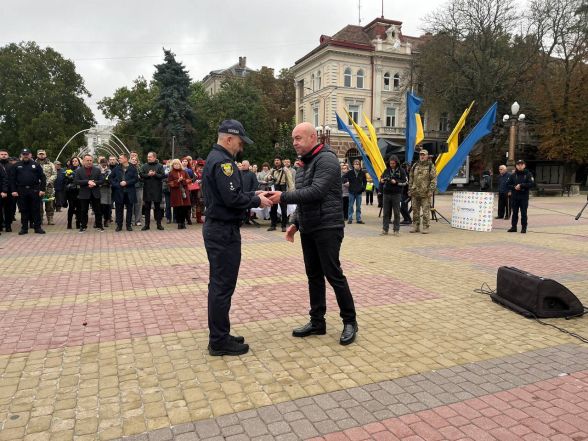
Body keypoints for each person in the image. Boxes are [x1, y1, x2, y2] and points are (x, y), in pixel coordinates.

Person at [268, 122, 358, 346]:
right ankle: (317, 321)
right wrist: (295, 223)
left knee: (333, 274)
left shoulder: (326, 159)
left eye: (298, 138)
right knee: (314, 276)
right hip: (308, 227)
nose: (294, 143)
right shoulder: (304, 164)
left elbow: (316, 192)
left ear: (312, 138)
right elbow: (303, 198)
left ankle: (350, 321)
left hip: (328, 226)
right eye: (293, 139)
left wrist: (283, 197)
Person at [202, 119, 272, 356]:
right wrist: (256, 201)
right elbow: (232, 199)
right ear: (229, 138)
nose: (240, 148)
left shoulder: (217, 159)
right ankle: (219, 341)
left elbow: (230, 194)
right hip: (223, 231)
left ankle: (220, 334)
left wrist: (253, 193)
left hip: (219, 229)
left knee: (220, 285)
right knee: (222, 286)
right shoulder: (223, 163)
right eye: (239, 142)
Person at [8, 149, 46, 235]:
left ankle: (37, 227)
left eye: (27, 154)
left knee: (36, 209)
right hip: (21, 190)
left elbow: (43, 178)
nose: (25, 155)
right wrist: (13, 190)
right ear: (21, 155)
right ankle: (24, 228)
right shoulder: (16, 165)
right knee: (24, 209)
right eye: (24, 154)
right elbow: (12, 179)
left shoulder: (36, 165)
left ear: (30, 155)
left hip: (34, 189)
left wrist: (42, 189)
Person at [409, 150, 437, 234]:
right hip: (415, 192)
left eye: (424, 155)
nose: (422, 156)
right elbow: (411, 178)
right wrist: (410, 189)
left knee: (425, 211)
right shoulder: (415, 165)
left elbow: (433, 179)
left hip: (425, 193)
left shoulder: (430, 166)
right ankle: (415, 226)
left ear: (427, 156)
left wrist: (431, 190)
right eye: (421, 155)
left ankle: (425, 227)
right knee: (415, 210)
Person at [74, 154, 104, 232]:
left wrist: (94, 183)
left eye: (90, 160)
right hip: (84, 193)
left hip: (95, 193)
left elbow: (102, 180)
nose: (89, 162)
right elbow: (76, 181)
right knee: (83, 211)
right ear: (83, 161)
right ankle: (83, 226)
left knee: (98, 210)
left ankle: (99, 225)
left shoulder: (97, 170)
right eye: (87, 160)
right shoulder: (79, 170)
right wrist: (87, 182)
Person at [380, 155, 407, 236]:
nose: (391, 165)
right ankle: (385, 229)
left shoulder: (401, 171)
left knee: (396, 213)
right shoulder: (386, 170)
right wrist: (381, 180)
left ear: (396, 163)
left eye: (393, 163)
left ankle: (396, 230)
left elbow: (405, 182)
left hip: (396, 194)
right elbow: (381, 178)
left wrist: (396, 182)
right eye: (390, 163)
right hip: (386, 193)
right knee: (386, 213)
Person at [110, 153, 137, 232]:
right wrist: (117, 185)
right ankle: (119, 225)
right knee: (118, 210)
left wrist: (127, 182)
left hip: (130, 192)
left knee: (129, 210)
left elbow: (135, 179)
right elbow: (110, 178)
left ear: (126, 159)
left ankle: (128, 225)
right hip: (119, 192)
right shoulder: (116, 168)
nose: (119, 159)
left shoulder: (132, 168)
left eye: (120, 158)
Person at [266, 157, 294, 232]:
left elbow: (290, 181)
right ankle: (273, 225)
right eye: (275, 160)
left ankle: (283, 226)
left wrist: (291, 192)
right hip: (275, 188)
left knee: (283, 209)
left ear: (281, 161)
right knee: (273, 208)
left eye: (278, 160)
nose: (276, 161)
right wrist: (269, 177)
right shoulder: (272, 170)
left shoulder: (285, 170)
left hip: (283, 189)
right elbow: (266, 178)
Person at [140, 152, 165, 231]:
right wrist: (148, 174)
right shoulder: (144, 166)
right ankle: (147, 225)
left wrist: (155, 174)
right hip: (147, 189)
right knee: (147, 208)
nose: (148, 158)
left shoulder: (160, 166)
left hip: (157, 189)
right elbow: (141, 174)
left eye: (150, 157)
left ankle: (159, 225)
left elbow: (163, 175)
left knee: (158, 208)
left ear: (154, 157)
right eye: (148, 157)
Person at [507, 159, 534, 234]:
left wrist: (521, 185)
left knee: (523, 213)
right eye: (518, 164)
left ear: (524, 165)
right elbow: (508, 184)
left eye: (521, 164)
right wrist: (514, 187)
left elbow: (531, 184)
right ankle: (513, 227)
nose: (520, 166)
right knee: (514, 213)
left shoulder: (528, 174)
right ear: (516, 166)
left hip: (524, 197)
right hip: (515, 197)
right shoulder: (513, 175)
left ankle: (524, 228)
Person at [167, 159, 192, 229]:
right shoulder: (171, 173)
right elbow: (169, 183)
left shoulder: (184, 171)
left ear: (180, 164)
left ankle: (183, 223)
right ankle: (179, 223)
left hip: (184, 192)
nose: (176, 165)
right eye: (175, 164)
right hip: (176, 193)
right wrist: (177, 181)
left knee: (185, 208)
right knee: (177, 208)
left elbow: (189, 180)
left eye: (178, 164)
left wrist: (183, 180)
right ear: (172, 165)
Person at [35, 149, 57, 225]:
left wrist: (48, 181)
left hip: (48, 187)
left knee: (49, 204)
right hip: (37, 187)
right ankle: (40, 219)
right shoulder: (34, 164)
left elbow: (54, 174)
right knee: (38, 205)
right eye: (40, 154)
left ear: (45, 155)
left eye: (43, 154)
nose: (41, 155)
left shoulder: (51, 164)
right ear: (37, 155)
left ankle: (50, 219)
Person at [345, 159, 367, 224]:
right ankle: (350, 219)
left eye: (358, 164)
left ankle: (358, 219)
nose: (357, 165)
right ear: (353, 165)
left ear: (360, 165)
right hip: (351, 191)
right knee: (350, 206)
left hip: (359, 192)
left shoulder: (362, 173)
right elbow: (343, 178)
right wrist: (346, 182)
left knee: (358, 206)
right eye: (355, 164)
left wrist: (363, 188)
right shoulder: (350, 172)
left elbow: (365, 182)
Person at [0, 149, 15, 232]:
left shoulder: (11, 166)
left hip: (9, 190)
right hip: (0, 190)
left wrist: (13, 190)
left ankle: (8, 225)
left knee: (9, 209)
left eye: (5, 154)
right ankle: (1, 224)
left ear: (8, 155)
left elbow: (14, 178)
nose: (3, 155)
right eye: (1, 154)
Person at [64, 157, 81, 229]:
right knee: (71, 207)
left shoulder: (81, 170)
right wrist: (69, 177)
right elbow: (65, 181)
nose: (74, 162)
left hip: (79, 191)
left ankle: (78, 223)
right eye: (73, 161)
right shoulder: (68, 170)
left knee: (79, 208)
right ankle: (69, 223)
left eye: (76, 161)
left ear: (78, 162)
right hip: (71, 192)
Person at [98, 158, 113, 227]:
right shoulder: (97, 170)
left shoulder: (109, 171)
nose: (104, 166)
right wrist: (102, 173)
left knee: (107, 206)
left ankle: (106, 220)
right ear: (100, 164)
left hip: (107, 190)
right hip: (100, 190)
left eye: (105, 164)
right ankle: (98, 221)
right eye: (102, 164)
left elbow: (110, 179)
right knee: (100, 206)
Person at [129, 153, 143, 226]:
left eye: (135, 160)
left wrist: (140, 177)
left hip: (139, 187)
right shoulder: (127, 167)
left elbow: (144, 177)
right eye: (132, 159)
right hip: (130, 187)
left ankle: (138, 220)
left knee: (138, 204)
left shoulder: (140, 168)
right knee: (130, 204)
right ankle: (130, 220)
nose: (134, 161)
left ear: (137, 161)